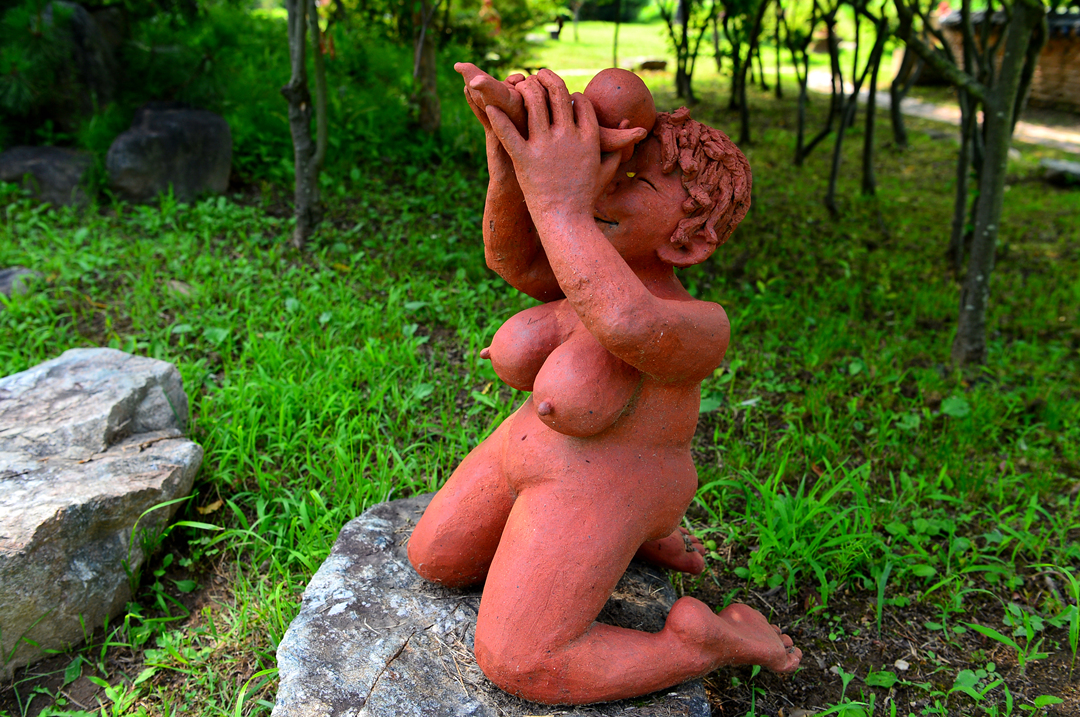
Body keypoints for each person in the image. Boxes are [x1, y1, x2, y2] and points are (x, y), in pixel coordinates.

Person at [407, 68, 801, 705]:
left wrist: (560, 202)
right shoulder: (583, 266)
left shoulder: (699, 325)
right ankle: (642, 543)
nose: (603, 186)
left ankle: (701, 642)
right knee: (434, 556)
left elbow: (626, 322)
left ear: (690, 240)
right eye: (605, 166)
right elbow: (513, 258)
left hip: (609, 481)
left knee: (520, 659)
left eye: (634, 181)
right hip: (526, 448)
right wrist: (510, 160)